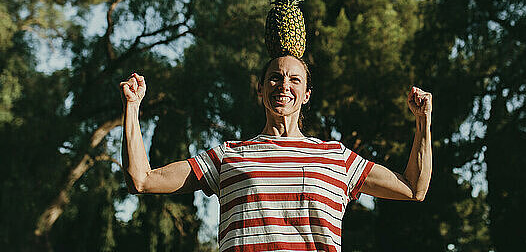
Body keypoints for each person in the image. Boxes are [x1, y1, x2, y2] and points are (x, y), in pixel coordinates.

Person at [121, 55, 432, 252]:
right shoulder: (228, 156)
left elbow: (413, 188)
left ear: (307, 95)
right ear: (260, 90)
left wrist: (423, 122)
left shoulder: (336, 157)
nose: (284, 84)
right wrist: (132, 108)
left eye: (294, 79)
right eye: (275, 77)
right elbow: (143, 180)